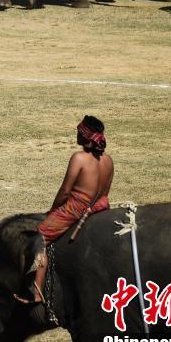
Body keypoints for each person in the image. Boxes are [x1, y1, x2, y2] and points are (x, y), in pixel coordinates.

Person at [15, 116, 113, 306]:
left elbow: (65, 191)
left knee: (39, 238)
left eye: (79, 131)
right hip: (100, 205)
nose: (76, 133)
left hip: (76, 207)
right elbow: (105, 192)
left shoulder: (79, 158)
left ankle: (36, 291)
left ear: (85, 137)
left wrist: (53, 210)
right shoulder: (108, 160)